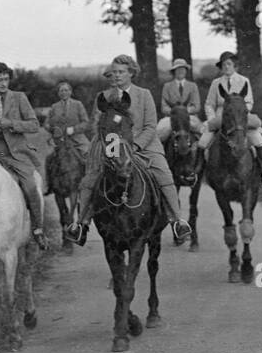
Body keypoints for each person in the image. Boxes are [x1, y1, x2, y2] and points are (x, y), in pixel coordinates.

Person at [67, 55, 192, 245]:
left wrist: (134, 145)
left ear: (131, 73)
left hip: (144, 146)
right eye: (114, 72)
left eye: (121, 72)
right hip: (112, 148)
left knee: (164, 175)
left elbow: (150, 126)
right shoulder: (104, 97)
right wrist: (111, 147)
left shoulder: (144, 94)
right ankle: (81, 224)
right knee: (90, 179)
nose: (117, 75)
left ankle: (177, 221)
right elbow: (96, 126)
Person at [0, 62, 50, 249]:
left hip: (15, 152)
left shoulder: (19, 98)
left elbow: (34, 125)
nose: (4, 84)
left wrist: (11, 123)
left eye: (6, 79)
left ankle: (38, 230)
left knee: (30, 185)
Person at [197, 52, 262, 183]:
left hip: (240, 116)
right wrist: (211, 118)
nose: (226, 67)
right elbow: (209, 104)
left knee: (257, 138)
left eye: (229, 64)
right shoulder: (216, 83)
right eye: (223, 65)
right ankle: (197, 171)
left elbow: (249, 101)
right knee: (203, 141)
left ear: (235, 66)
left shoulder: (244, 81)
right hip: (221, 117)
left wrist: (242, 111)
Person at [155, 59, 203, 143]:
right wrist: (175, 112)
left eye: (183, 69)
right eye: (178, 69)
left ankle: (199, 150)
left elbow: (197, 106)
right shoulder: (167, 86)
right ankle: (159, 150)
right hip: (172, 117)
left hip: (189, 116)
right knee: (159, 132)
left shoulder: (193, 86)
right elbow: (164, 106)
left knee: (203, 132)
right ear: (174, 71)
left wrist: (184, 111)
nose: (181, 71)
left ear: (186, 71)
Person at [46, 81, 91, 162]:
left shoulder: (78, 104)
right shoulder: (54, 107)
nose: (64, 93)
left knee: (88, 154)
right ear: (58, 93)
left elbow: (85, 122)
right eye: (61, 91)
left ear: (70, 92)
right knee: (49, 158)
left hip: (77, 140)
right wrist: (53, 129)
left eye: (66, 90)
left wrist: (74, 129)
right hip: (59, 140)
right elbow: (46, 123)